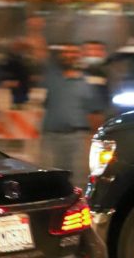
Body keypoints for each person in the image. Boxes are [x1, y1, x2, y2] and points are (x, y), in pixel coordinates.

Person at [40, 44, 105, 186]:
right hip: (52, 136)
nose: (69, 55)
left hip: (77, 137)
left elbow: (95, 111)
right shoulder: (51, 80)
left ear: (79, 56)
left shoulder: (86, 82)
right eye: (66, 52)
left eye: (74, 52)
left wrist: (95, 139)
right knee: (53, 175)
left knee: (77, 177)